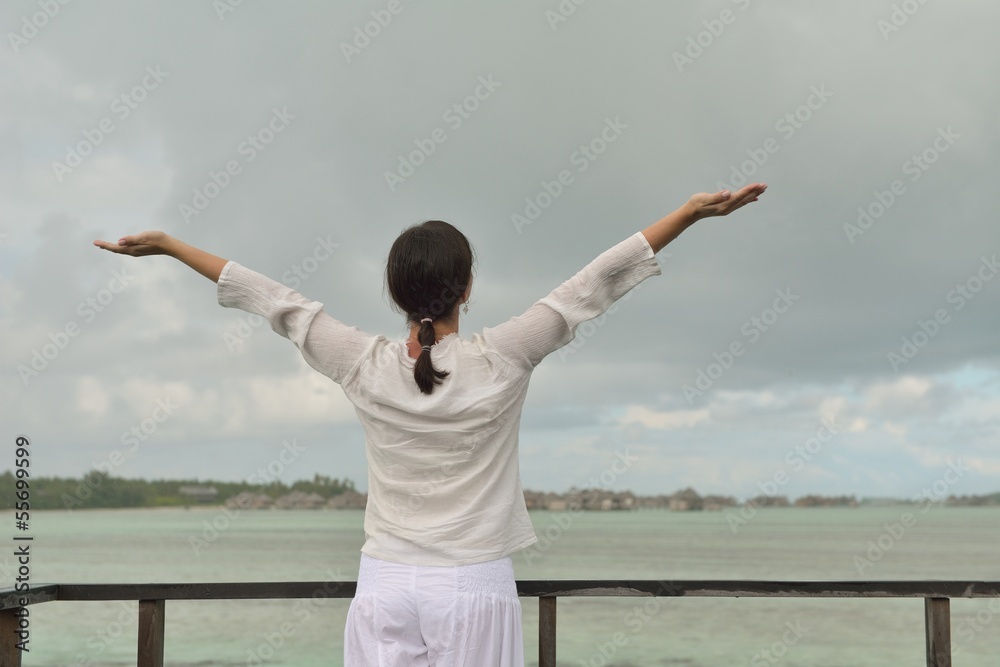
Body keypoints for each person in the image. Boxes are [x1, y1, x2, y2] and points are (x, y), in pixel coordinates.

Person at [93, 183, 766, 666]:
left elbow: (278, 303)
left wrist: (170, 246)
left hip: (384, 584)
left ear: (395, 293)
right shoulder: (503, 355)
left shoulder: (362, 362)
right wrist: (688, 214)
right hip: (472, 586)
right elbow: (590, 286)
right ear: (467, 287)